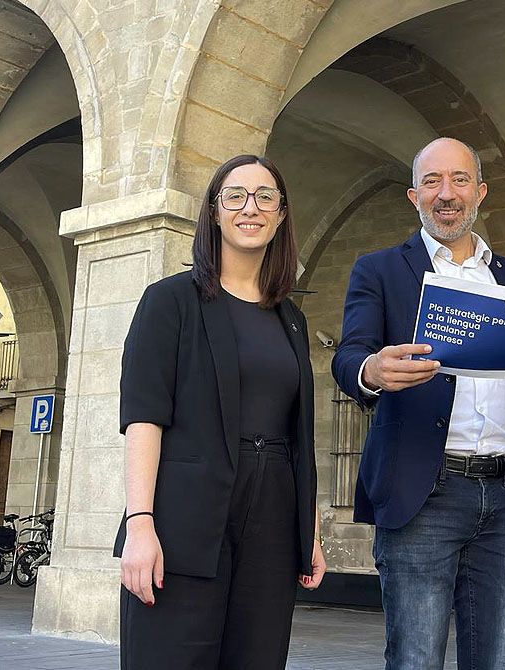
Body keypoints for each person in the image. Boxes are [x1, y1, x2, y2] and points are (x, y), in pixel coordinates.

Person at [331, 137, 505, 670]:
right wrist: (371, 370)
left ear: (480, 192)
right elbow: (349, 355)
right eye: (432, 182)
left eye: (458, 180)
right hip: (424, 491)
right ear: (413, 195)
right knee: (415, 659)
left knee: (495, 661)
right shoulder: (378, 270)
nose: (445, 194)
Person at [113, 154, 327, 670]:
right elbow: (144, 417)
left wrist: (310, 529)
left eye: (264, 197)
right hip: (184, 517)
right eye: (235, 196)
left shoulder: (292, 319)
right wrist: (141, 524)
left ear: (280, 215)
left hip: (273, 517)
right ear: (213, 212)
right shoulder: (170, 301)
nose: (249, 208)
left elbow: (298, 433)